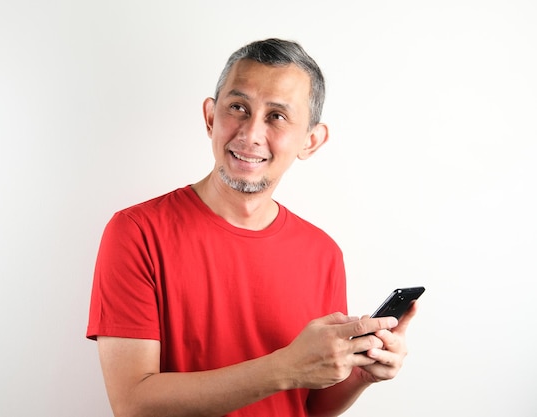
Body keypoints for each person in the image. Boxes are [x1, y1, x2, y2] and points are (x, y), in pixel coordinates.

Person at [86, 38, 418, 417]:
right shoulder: (136, 232)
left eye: (276, 116)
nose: (250, 133)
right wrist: (284, 368)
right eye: (238, 108)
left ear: (310, 141)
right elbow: (133, 404)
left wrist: (361, 373)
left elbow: (306, 405)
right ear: (211, 117)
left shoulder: (323, 253)